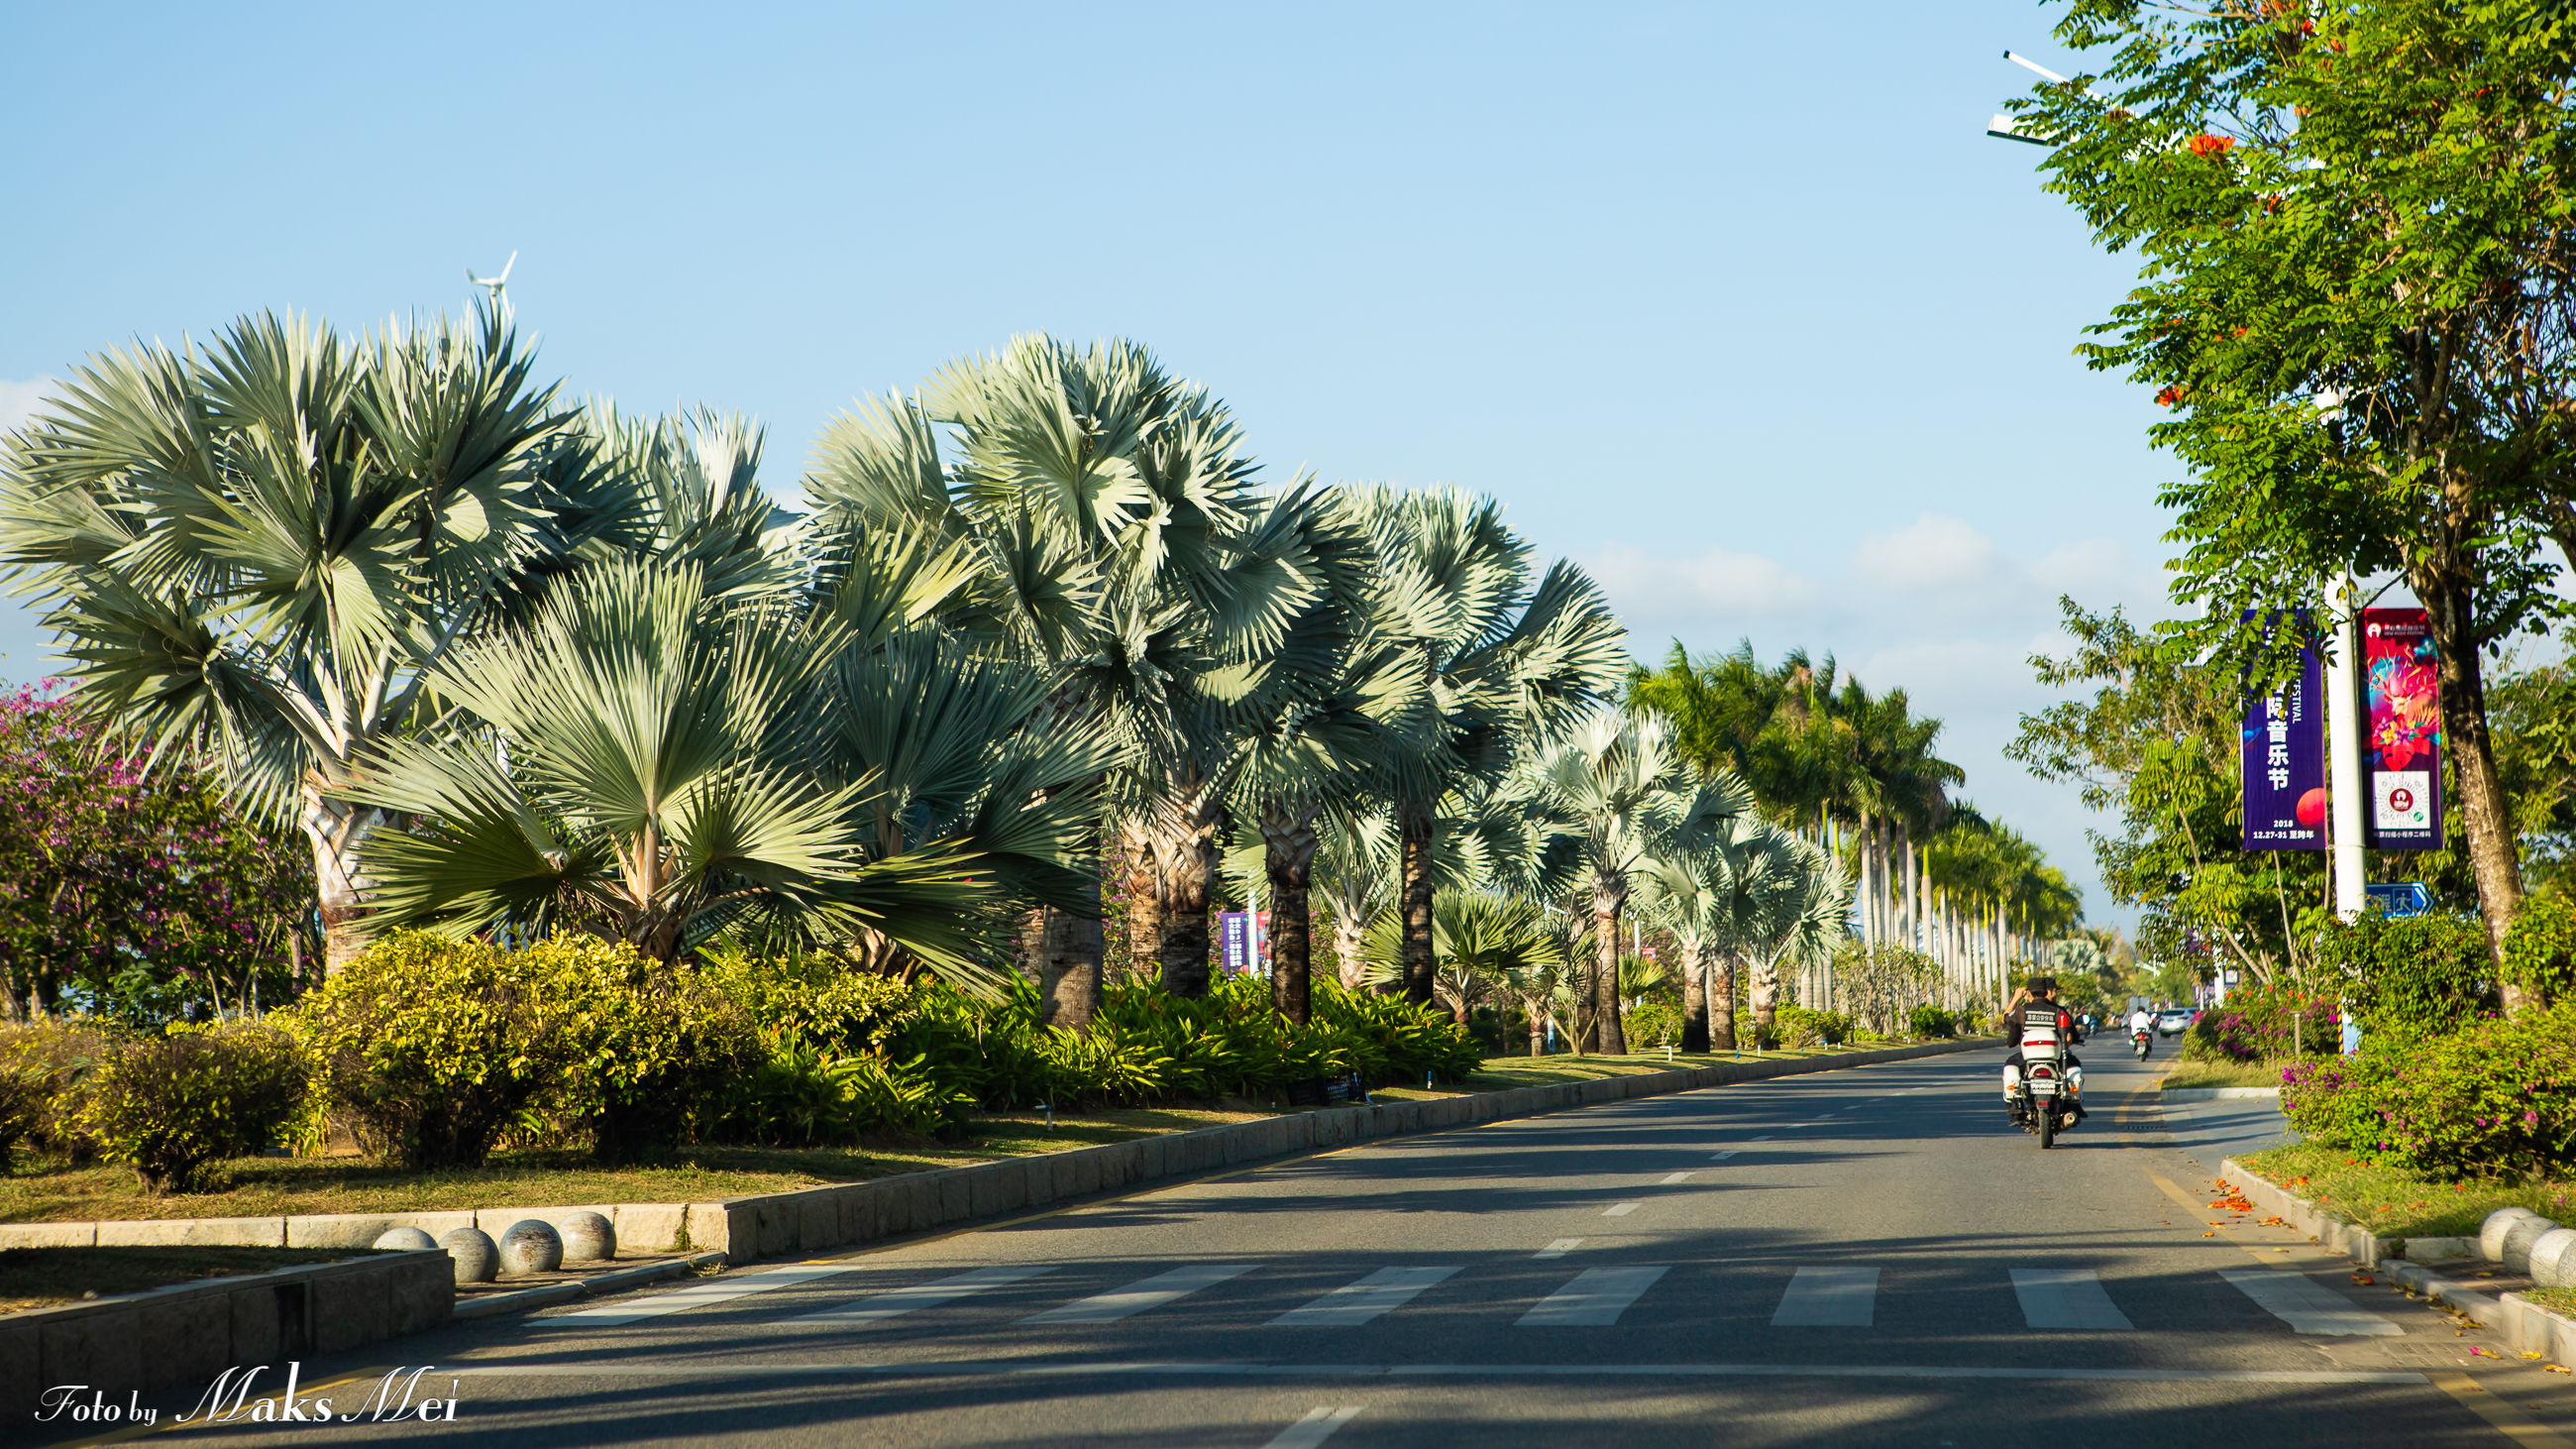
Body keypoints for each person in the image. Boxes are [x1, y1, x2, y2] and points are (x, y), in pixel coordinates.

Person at [1999, 976, 2085, 1126]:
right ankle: (2072, 1106)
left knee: (2010, 1065)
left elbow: (2006, 1021)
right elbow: (2069, 1037)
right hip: (2055, 1058)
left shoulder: (2022, 1011)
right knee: (2074, 1064)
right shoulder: (2058, 1012)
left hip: (2028, 1059)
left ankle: (2015, 1108)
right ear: (2047, 992)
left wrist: (2015, 998)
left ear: (2029, 993)